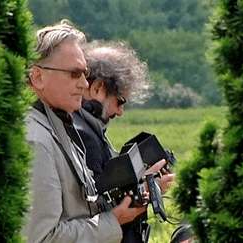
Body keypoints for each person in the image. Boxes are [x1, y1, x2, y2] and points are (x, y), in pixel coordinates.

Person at [23, 20, 147, 243]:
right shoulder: (36, 141)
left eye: (85, 73)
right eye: (74, 73)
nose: (83, 83)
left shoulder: (58, 125)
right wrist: (113, 221)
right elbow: (42, 238)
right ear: (38, 77)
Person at [73, 40, 175, 242]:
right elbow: (101, 209)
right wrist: (148, 189)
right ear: (98, 88)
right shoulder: (85, 136)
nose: (120, 112)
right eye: (120, 102)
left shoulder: (87, 128)